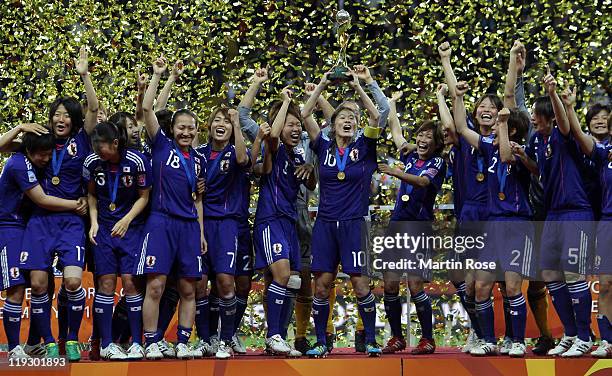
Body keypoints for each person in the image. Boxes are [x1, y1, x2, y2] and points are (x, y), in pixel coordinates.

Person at [300, 69, 381, 357]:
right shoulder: (322, 145)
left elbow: (376, 116)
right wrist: (321, 84)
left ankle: (370, 339)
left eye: (353, 120)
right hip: (325, 225)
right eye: (343, 118)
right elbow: (305, 113)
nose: (349, 121)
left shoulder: (365, 146)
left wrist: (359, 87)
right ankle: (322, 341)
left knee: (361, 284)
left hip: (354, 224)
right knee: (321, 286)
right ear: (332, 126)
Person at [137, 56, 207, 360]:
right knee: (156, 285)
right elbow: (148, 109)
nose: (186, 133)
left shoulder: (200, 160)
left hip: (190, 226)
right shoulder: (161, 145)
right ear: (173, 129)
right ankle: (151, 340)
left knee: (189, 288)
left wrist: (201, 232)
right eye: (181, 128)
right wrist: (159, 75)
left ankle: (181, 341)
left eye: (191, 129)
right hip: (161, 222)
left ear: (196, 131)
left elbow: (198, 200)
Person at [525, 67, 594, 357]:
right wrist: (522, 157)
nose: (531, 118)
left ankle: (585, 336)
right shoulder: (538, 141)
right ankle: (570, 333)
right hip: (552, 213)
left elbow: (566, 124)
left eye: (536, 115)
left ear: (548, 117)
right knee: (551, 273)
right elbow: (542, 172)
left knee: (573, 274)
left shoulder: (561, 135)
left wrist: (553, 93)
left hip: (575, 212)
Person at [0, 130, 86, 359]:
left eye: (49, 155)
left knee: (43, 287)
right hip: (9, 228)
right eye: (42, 155)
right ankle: (14, 347)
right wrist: (76, 205)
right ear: (29, 151)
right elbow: (41, 199)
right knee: (17, 288)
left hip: (28, 225)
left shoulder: (33, 154)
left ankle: (31, 344)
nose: (46, 160)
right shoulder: (20, 162)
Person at [379, 90, 447, 355]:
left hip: (418, 227)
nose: (422, 139)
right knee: (390, 283)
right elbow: (396, 130)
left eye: (428, 136)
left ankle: (427, 339)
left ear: (436, 142)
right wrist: (393, 104)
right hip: (397, 224)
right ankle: (397, 337)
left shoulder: (438, 162)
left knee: (416, 284)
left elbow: (422, 182)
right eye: (420, 134)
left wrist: (394, 172)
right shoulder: (409, 155)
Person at [251, 88, 317, 356]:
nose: (295, 129)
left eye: (298, 125)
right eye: (291, 123)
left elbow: (311, 185)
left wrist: (311, 170)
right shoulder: (274, 148)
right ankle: (274, 334)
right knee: (281, 276)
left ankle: (276, 337)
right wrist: (287, 101)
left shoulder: (299, 155)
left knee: (286, 281)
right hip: (270, 220)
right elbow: (274, 134)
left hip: (289, 222)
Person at [84, 121, 152, 360]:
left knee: (132, 284)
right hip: (103, 231)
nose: (98, 152)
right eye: (95, 147)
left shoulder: (138, 161)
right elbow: (91, 194)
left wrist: (126, 219)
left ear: (115, 143)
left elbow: (144, 196)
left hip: (131, 230)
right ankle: (106, 344)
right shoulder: (92, 163)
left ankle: (136, 342)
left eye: (101, 147)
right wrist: (94, 222)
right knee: (105, 285)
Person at [196, 105, 249, 359]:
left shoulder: (235, 151)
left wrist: (237, 123)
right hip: (199, 222)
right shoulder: (198, 154)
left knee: (226, 282)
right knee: (198, 284)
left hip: (227, 224)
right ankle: (205, 339)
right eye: (217, 120)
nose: (222, 124)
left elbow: (242, 160)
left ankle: (225, 340)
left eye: (226, 122)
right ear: (209, 125)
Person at [562, 87, 611, 358]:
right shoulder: (598, 150)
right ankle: (603, 338)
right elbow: (580, 137)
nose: (600, 120)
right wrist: (569, 107)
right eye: (595, 117)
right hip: (600, 221)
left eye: (605, 117)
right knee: (604, 283)